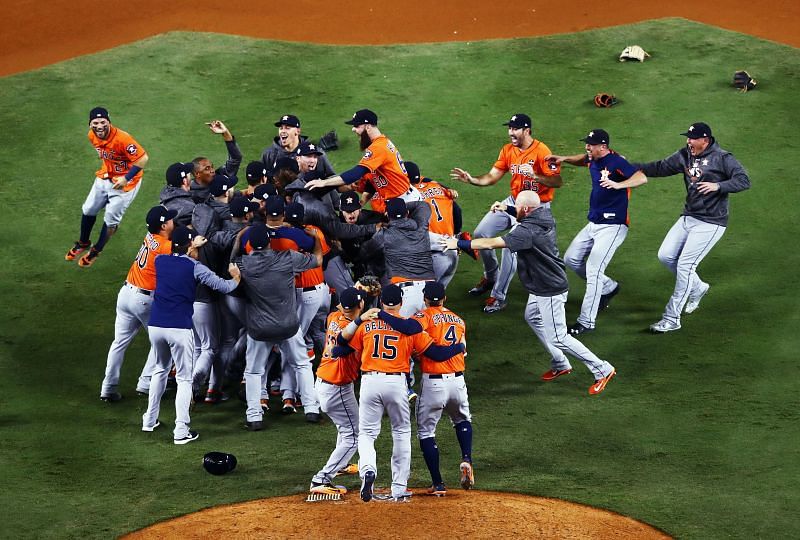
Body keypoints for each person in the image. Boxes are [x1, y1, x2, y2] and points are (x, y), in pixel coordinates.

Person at [443, 191, 616, 395]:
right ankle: (561, 363)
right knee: (532, 316)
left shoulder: (528, 231)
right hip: (542, 284)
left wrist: (459, 243)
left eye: (516, 207)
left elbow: (490, 242)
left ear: (525, 209)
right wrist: (505, 208)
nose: (514, 209)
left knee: (559, 337)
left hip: (549, 288)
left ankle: (602, 369)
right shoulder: (544, 214)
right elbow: (524, 213)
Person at [334, 285, 465, 502]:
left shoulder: (367, 324)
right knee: (402, 432)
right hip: (396, 383)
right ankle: (398, 488)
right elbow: (436, 353)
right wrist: (458, 348)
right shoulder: (409, 329)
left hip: (369, 381)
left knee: (366, 434)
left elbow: (342, 347)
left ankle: (367, 470)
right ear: (401, 303)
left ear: (381, 302)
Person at [632, 122, 751, 333]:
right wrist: (631, 166)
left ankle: (672, 318)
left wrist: (718, 185)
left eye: (692, 138)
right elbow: (660, 167)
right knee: (666, 256)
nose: (688, 141)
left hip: (711, 222)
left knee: (685, 266)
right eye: (688, 137)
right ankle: (698, 287)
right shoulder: (684, 155)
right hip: (688, 217)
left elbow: (743, 180)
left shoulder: (723, 158)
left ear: (705, 140)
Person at [450, 113, 562, 313]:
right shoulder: (508, 150)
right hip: (513, 201)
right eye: (509, 128)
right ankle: (491, 276)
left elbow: (557, 181)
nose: (510, 132)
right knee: (481, 233)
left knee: (510, 248)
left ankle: (498, 296)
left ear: (526, 130)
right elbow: (492, 176)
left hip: (535, 208)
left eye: (515, 129)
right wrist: (472, 180)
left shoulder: (542, 151)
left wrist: (535, 175)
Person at [142, 226, 241, 444]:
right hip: (179, 328)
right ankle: (181, 431)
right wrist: (236, 278)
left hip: (156, 325)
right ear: (190, 246)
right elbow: (224, 287)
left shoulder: (160, 260)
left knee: (160, 369)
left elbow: (174, 257)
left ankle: (149, 420)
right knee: (184, 379)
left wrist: (188, 247)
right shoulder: (196, 267)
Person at [546, 129, 647, 335]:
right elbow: (583, 159)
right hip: (593, 224)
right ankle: (609, 287)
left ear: (603, 146)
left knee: (594, 271)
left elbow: (641, 178)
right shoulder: (593, 158)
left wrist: (619, 185)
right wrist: (564, 158)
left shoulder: (617, 162)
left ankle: (586, 321)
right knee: (572, 259)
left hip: (613, 226)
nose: (587, 147)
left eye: (591, 144)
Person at [235, 222, 323, 430]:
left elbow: (231, 264)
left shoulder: (242, 263)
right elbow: (318, 259)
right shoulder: (287, 258)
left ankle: (254, 416)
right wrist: (317, 239)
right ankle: (311, 409)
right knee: (302, 365)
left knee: (254, 372)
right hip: (288, 325)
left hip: (259, 329)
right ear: (268, 242)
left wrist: (238, 240)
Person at [99, 205, 176, 402]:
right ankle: (146, 382)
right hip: (144, 299)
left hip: (125, 294)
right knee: (161, 340)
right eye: (170, 220)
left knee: (119, 343)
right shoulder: (164, 246)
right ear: (164, 226)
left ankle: (108, 387)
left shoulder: (150, 237)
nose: (173, 221)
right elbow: (187, 250)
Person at [65, 107, 149, 267]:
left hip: (126, 185)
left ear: (109, 122)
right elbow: (103, 152)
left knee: (111, 221)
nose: (99, 126)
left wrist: (126, 177)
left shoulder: (123, 139)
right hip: (105, 177)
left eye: (103, 122)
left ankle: (97, 250)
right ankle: (83, 243)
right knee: (88, 209)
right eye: (95, 123)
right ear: (90, 124)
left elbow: (143, 159)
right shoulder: (92, 136)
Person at [412, 282, 474, 495]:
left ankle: (438, 484)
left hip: (433, 384)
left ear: (425, 298)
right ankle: (466, 458)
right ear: (444, 298)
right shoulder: (459, 320)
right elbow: (462, 352)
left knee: (426, 432)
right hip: (458, 382)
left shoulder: (421, 318)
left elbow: (420, 350)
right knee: (462, 420)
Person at [309, 287, 367, 495]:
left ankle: (341, 464)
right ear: (361, 306)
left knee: (346, 427)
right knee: (354, 435)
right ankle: (321, 479)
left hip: (324, 380)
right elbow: (345, 340)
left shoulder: (334, 316)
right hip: (337, 387)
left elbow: (347, 311)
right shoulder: (355, 330)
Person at [305, 109, 422, 202]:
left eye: (357, 126)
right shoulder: (382, 143)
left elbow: (355, 173)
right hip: (403, 198)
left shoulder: (378, 148)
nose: (353, 129)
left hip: (405, 202)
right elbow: (369, 182)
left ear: (368, 127)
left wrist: (324, 183)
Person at [359, 198, 434, 317]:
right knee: (430, 333)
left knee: (400, 333)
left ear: (387, 215)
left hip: (405, 294)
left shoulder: (383, 235)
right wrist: (402, 207)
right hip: (430, 290)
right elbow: (423, 204)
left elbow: (363, 253)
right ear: (407, 213)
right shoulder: (421, 225)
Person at [261, 114, 336, 178]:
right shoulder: (269, 154)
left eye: (287, 128)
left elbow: (331, 177)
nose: (283, 131)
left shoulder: (315, 153)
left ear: (298, 131)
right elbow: (262, 179)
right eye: (281, 128)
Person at [189, 120, 243, 203]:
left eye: (212, 167)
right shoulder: (189, 193)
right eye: (207, 168)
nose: (213, 171)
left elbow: (236, 158)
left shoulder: (219, 177)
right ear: (197, 174)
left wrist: (225, 133)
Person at [159, 162, 196, 227]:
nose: (192, 177)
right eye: (189, 174)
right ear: (185, 181)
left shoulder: (166, 195)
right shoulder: (188, 207)